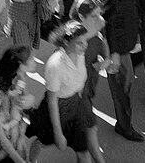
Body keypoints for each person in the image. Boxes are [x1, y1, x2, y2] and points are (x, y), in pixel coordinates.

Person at [25, 20, 96, 161]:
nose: (85, 46)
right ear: (66, 43)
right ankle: (31, 160)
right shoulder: (55, 65)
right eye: (79, 43)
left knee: (83, 151)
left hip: (75, 106)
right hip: (57, 109)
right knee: (43, 141)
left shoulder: (80, 54)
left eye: (85, 41)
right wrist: (58, 132)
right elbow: (52, 101)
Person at [98, 0, 144, 142]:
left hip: (127, 40)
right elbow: (109, 23)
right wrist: (114, 53)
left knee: (126, 82)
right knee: (122, 87)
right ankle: (124, 127)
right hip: (118, 48)